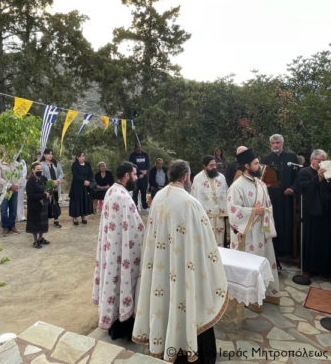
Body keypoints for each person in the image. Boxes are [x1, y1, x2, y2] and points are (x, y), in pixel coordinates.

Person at [133, 160, 228, 363]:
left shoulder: (158, 197)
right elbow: (206, 243)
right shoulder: (190, 203)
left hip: (162, 265)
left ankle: (165, 346)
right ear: (186, 177)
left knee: (165, 301)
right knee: (187, 300)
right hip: (184, 268)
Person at [92, 161, 144, 340]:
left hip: (113, 249)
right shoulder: (123, 197)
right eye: (134, 175)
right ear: (127, 175)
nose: (136, 178)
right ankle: (123, 325)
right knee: (124, 282)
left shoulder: (111, 191)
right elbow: (137, 228)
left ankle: (113, 321)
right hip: (121, 251)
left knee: (114, 282)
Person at [227, 148, 280, 302]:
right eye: (256, 163)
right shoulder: (236, 186)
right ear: (247, 166)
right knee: (249, 265)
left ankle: (266, 294)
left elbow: (269, 206)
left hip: (261, 232)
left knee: (263, 260)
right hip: (247, 234)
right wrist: (254, 211)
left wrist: (265, 212)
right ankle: (250, 298)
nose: (259, 166)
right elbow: (233, 211)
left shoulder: (261, 184)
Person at [289, 150, 331, 277]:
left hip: (326, 211)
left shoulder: (328, 173)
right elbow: (303, 188)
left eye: (324, 160)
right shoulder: (304, 172)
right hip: (311, 212)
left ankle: (323, 269)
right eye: (319, 160)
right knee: (311, 241)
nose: (321, 163)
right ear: (312, 160)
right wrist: (318, 178)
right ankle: (308, 268)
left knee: (324, 241)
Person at [261, 134, 299, 260]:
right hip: (273, 197)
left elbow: (298, 175)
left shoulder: (292, 157)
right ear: (270, 145)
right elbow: (262, 179)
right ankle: (276, 250)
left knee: (288, 223)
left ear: (282, 143)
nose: (275, 145)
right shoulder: (266, 159)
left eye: (278, 142)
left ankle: (288, 251)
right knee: (275, 222)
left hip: (288, 197)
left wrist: (293, 188)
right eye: (273, 143)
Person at [191, 155, 228, 246]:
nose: (214, 167)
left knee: (220, 241)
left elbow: (226, 193)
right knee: (207, 241)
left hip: (219, 215)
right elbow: (194, 196)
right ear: (205, 166)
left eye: (215, 165)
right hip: (205, 216)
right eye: (211, 165)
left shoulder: (221, 177)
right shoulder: (198, 179)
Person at [0, 155, 24, 237]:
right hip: (2, 191)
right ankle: (5, 227)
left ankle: (12, 226)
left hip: (14, 190)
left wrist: (16, 185)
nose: (8, 154)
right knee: (3, 210)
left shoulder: (17, 164)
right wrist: (10, 186)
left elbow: (21, 176)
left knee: (13, 209)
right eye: (6, 152)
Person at [26, 162, 49, 249]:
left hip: (43, 204)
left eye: (41, 169)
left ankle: (41, 238)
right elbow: (30, 195)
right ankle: (35, 241)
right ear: (33, 170)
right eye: (38, 169)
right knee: (35, 223)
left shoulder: (44, 179)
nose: (40, 171)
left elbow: (47, 188)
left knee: (43, 222)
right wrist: (43, 195)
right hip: (34, 205)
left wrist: (48, 192)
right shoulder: (30, 181)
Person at [68, 151, 94, 226]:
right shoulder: (74, 165)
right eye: (81, 156)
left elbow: (91, 174)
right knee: (76, 202)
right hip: (76, 187)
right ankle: (75, 217)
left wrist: (88, 181)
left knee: (84, 200)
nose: (82, 157)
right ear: (77, 157)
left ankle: (83, 216)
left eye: (83, 156)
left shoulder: (88, 164)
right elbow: (75, 175)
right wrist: (84, 181)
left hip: (86, 186)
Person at [41, 149, 62, 228]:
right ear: (44, 155)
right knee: (46, 203)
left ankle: (56, 220)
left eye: (52, 154)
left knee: (55, 203)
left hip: (56, 186)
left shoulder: (55, 163)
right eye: (49, 154)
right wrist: (51, 181)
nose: (51, 155)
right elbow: (42, 176)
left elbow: (61, 174)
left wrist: (58, 180)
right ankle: (45, 221)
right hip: (46, 187)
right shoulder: (41, 164)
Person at [128, 142, 150, 212]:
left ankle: (145, 207)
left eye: (140, 147)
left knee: (144, 192)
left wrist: (144, 173)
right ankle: (135, 206)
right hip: (135, 176)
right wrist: (139, 172)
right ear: (135, 148)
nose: (139, 148)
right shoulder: (132, 155)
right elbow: (132, 166)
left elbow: (147, 165)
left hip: (144, 177)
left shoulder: (145, 155)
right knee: (135, 192)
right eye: (137, 147)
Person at [15, 155, 28, 222]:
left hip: (21, 183)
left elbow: (24, 172)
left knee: (20, 200)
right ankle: (10, 215)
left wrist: (19, 182)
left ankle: (21, 216)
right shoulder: (10, 161)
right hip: (12, 184)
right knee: (10, 200)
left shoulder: (22, 162)